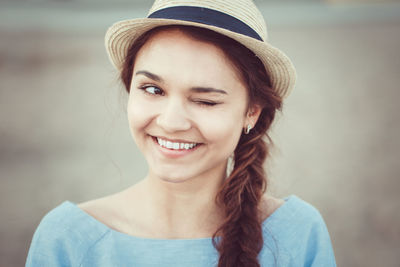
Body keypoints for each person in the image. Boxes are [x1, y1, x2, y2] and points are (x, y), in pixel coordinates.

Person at [26, 0, 336, 266]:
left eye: (205, 100)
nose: (172, 121)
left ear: (251, 111)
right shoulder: (67, 240)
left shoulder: (297, 234)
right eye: (152, 89)